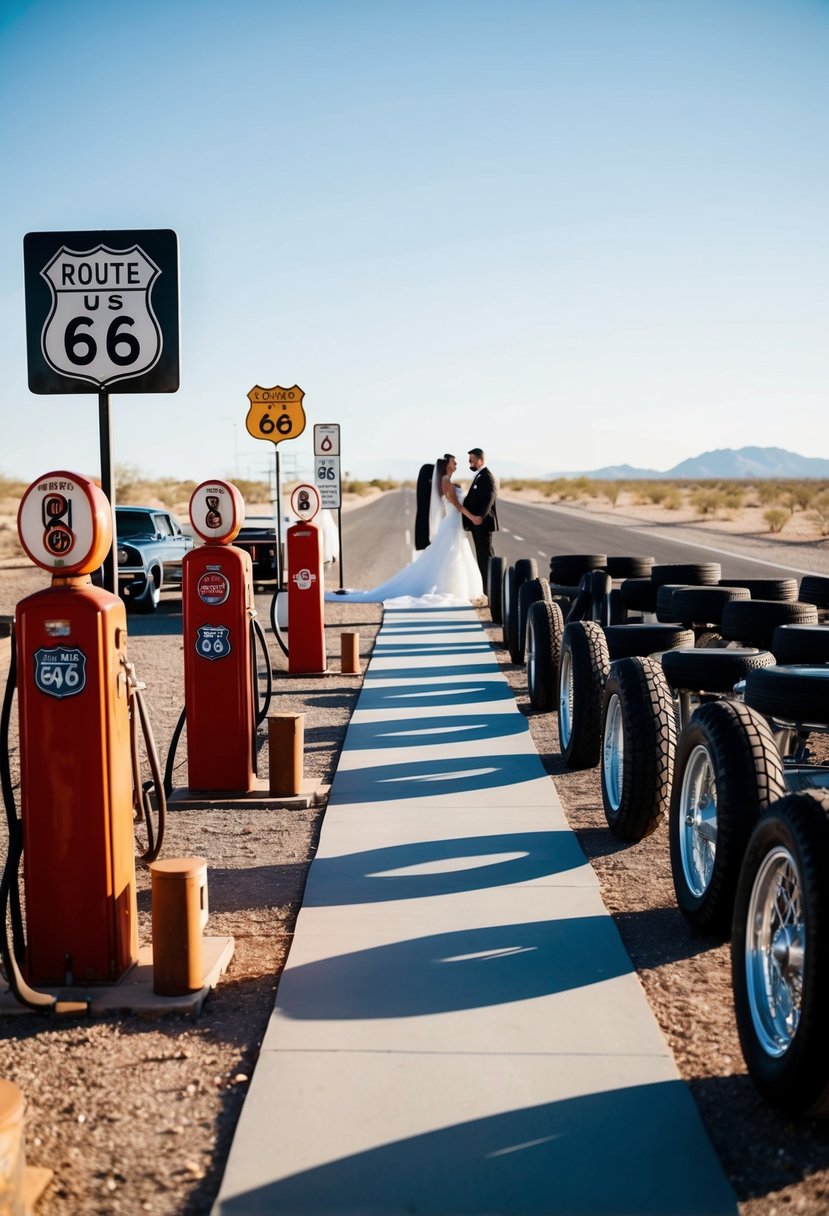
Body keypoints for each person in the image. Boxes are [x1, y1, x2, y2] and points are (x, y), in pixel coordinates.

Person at [325, 453, 484, 603]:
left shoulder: (446, 479)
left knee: (453, 554)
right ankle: (450, 587)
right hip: (452, 522)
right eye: (453, 461)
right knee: (450, 555)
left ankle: (452, 586)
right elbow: (456, 505)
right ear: (446, 464)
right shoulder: (445, 480)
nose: (456, 463)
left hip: (454, 523)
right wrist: (472, 517)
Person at [460, 447, 499, 587]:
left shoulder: (487, 476)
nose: (470, 463)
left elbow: (490, 496)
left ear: (480, 460)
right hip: (477, 523)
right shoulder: (480, 475)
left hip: (482, 523)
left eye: (472, 460)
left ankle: (492, 586)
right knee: (482, 556)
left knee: (486, 556)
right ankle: (487, 585)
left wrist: (480, 516)